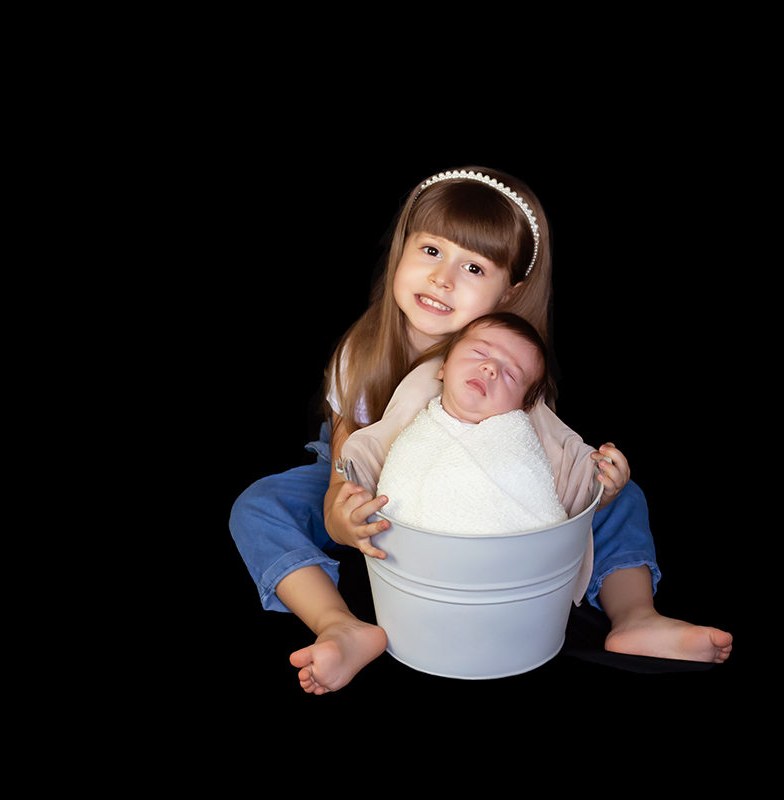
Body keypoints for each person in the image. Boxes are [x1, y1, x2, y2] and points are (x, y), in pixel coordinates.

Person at [230, 167, 731, 696]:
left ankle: (634, 615)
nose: (443, 279)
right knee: (261, 506)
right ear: (402, 249)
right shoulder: (362, 352)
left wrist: (597, 482)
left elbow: (535, 458)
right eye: (430, 252)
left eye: (473, 266)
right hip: (374, 487)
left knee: (624, 497)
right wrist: (340, 506)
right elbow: (344, 450)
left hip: (476, 494)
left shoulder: (507, 361)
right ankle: (340, 623)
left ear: (510, 293)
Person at [376, 312, 568, 535]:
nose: (490, 368)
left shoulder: (518, 447)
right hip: (414, 556)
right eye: (479, 353)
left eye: (511, 374)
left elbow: (542, 513)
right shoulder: (416, 435)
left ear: (523, 408)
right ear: (443, 367)